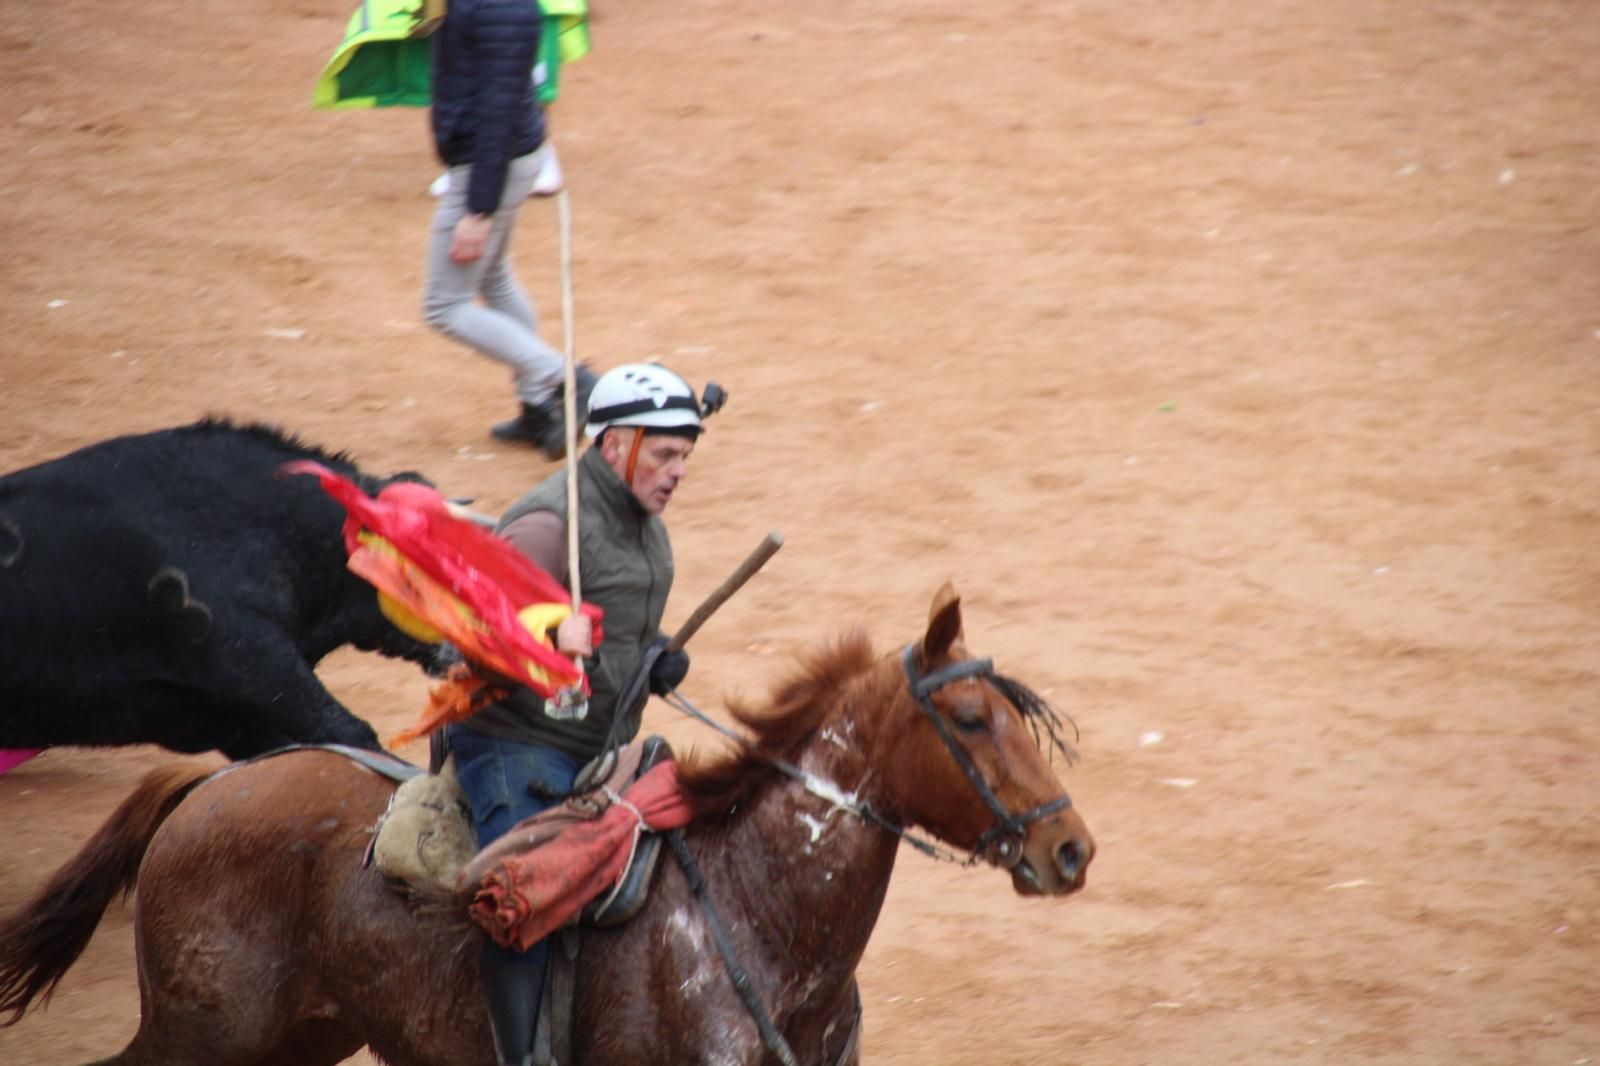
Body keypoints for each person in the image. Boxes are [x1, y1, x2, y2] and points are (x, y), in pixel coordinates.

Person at [447, 363, 713, 1066]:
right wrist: (538, 638)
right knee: (523, 897)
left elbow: (614, 633)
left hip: (600, 742)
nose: (678, 470)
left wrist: (651, 658)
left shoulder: (644, 524)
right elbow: (457, 643)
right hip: (515, 743)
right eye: (664, 453)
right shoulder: (546, 525)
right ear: (615, 443)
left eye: (685, 454)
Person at [422, 0, 593, 457]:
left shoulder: (504, 10)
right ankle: (538, 408)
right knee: (494, 276)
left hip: (489, 166)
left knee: (445, 305)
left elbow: (498, 110)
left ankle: (566, 379)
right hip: (504, 159)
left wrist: (478, 210)